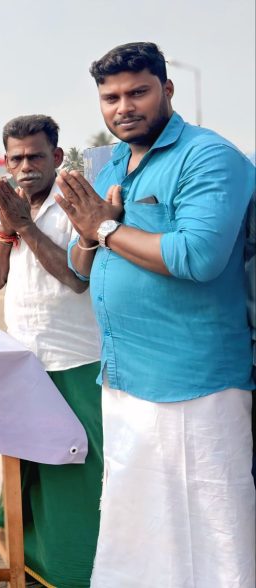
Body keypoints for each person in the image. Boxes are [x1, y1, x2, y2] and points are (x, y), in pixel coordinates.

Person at [58, 42, 255, 586]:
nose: (124, 107)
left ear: (167, 90)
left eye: (138, 92)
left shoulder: (208, 156)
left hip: (194, 379)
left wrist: (105, 228)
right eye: (111, 98)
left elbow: (198, 256)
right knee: (138, 523)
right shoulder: (114, 162)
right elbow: (80, 263)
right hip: (125, 375)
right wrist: (92, 233)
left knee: (210, 524)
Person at [0, 115, 102, 587]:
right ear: (6, 161)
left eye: (35, 156)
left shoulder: (76, 202)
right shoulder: (5, 205)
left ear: (57, 156)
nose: (26, 166)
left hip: (76, 357)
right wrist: (6, 231)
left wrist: (25, 226)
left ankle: (78, 571)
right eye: (17, 158)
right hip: (24, 357)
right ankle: (29, 563)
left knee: (77, 466)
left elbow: (76, 279)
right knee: (28, 464)